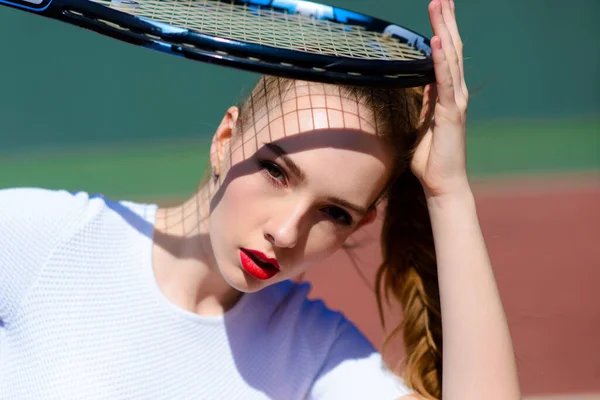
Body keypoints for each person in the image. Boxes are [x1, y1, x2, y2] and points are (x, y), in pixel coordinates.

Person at [0, 1, 520, 399]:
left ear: (358, 227)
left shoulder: (315, 356)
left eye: (334, 212)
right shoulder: (46, 239)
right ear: (225, 140)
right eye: (276, 171)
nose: (288, 231)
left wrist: (447, 193)